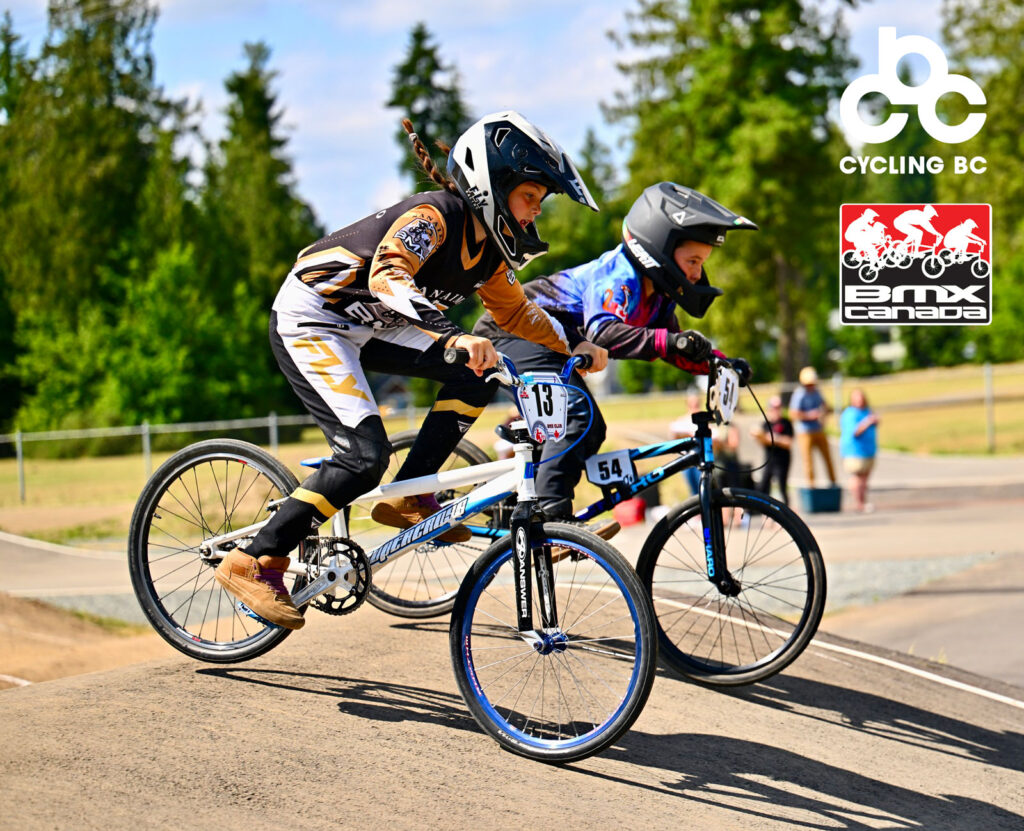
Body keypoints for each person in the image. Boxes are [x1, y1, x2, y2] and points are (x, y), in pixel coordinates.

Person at [214, 111, 607, 629]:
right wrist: (451, 335)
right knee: (362, 457)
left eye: (539, 204)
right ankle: (255, 559)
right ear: (494, 186)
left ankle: (413, 493)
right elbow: (387, 277)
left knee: (476, 374)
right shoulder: (434, 217)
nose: (535, 215)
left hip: (372, 326)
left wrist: (572, 341)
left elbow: (515, 314)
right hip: (315, 317)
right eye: (530, 198)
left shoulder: (488, 253)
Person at [377, 182, 757, 528]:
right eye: (693, 262)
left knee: (590, 428)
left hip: (553, 346)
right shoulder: (619, 276)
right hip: (512, 333)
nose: (696, 273)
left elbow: (674, 347)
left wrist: (720, 362)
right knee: (578, 416)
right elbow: (605, 332)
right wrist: (670, 343)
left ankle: (536, 503)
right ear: (662, 248)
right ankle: (551, 520)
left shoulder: (656, 298)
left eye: (701, 264)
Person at [789, 366, 837, 488]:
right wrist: (809, 415)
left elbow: (825, 406)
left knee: (828, 458)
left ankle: (833, 483)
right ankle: (811, 486)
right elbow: (793, 413)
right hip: (805, 431)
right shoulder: (799, 394)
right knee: (808, 461)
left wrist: (825, 412)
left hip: (818, 429)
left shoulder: (817, 392)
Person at [840, 388, 880, 513]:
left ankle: (863, 501)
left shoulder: (867, 411)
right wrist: (868, 422)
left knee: (864, 479)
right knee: (857, 478)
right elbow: (855, 432)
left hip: (868, 450)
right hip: (855, 451)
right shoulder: (850, 414)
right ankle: (859, 503)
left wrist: (874, 421)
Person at [750, 395, 793, 504]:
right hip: (769, 459)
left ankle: (785, 511)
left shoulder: (786, 422)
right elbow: (764, 441)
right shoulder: (766, 424)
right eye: (774, 407)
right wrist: (760, 436)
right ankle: (762, 508)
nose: (776, 410)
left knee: (781, 486)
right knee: (764, 484)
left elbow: (788, 442)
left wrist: (773, 438)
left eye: (778, 407)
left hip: (783, 460)